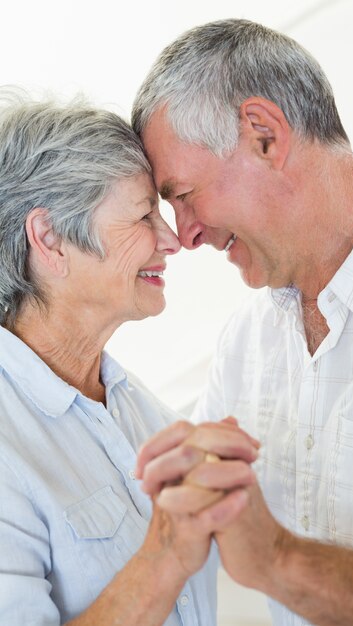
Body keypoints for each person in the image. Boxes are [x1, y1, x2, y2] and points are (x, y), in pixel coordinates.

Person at [132, 18, 353, 626]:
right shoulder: (246, 345)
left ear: (264, 135)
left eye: (182, 195)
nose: (185, 236)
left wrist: (280, 560)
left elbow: (266, 557)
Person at [0, 91, 259, 626]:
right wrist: (165, 553)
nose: (173, 240)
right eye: (144, 216)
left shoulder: (141, 411)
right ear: (49, 239)